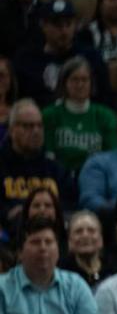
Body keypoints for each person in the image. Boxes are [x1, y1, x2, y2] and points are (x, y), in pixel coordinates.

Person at [15, 0, 112, 109]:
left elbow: (104, 97)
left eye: (68, 24)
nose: (64, 31)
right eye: (57, 25)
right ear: (43, 25)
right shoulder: (27, 60)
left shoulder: (91, 57)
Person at [0, 100, 74, 234]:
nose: (36, 131)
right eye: (28, 126)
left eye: (39, 126)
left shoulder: (55, 168)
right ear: (11, 130)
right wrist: (8, 212)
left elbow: (71, 200)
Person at [41, 55, 117, 176]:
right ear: (64, 83)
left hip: (95, 177)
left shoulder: (105, 116)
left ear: (91, 83)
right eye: (74, 80)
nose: (80, 84)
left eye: (84, 80)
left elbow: (112, 156)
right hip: (58, 177)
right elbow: (48, 156)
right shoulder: (49, 115)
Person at [59, 210, 116, 290]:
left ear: (101, 239)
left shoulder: (114, 271)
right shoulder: (61, 275)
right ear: (69, 242)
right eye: (78, 231)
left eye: (91, 230)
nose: (85, 235)